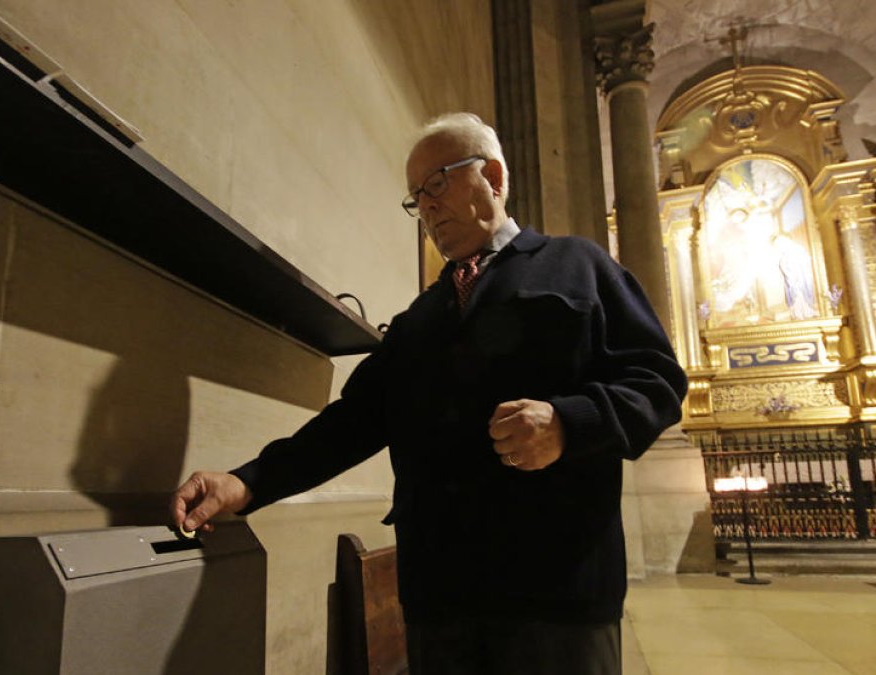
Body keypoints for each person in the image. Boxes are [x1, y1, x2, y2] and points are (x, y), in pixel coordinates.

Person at [171, 112, 687, 674]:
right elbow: (351, 423)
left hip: (557, 595)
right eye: (416, 196)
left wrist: (570, 422)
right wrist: (246, 482)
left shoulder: (578, 266)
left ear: (492, 175)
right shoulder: (419, 318)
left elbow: (657, 381)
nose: (426, 207)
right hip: (441, 601)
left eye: (436, 183)